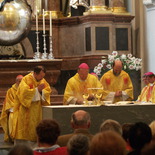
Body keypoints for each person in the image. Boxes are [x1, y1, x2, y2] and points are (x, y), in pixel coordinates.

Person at [10, 66, 51, 145]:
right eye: (41, 76)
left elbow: (48, 90)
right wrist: (36, 90)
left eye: (43, 76)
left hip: (37, 110)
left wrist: (42, 92)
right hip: (26, 110)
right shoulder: (26, 79)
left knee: (36, 129)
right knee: (25, 132)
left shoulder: (42, 80)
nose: (42, 78)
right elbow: (23, 94)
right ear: (35, 73)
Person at [0, 75, 23, 142]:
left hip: (25, 110)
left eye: (22, 81)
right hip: (14, 110)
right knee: (12, 118)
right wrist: (17, 109)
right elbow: (8, 103)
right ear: (16, 82)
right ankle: (14, 138)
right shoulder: (11, 91)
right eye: (19, 81)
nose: (21, 83)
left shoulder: (26, 90)